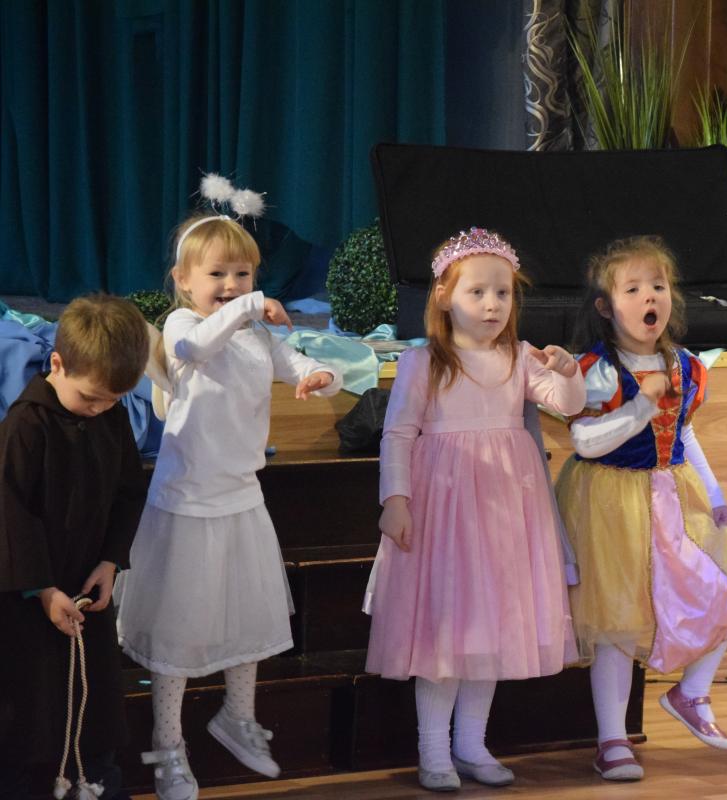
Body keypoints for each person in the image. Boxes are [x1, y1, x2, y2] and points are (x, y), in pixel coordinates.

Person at [116, 208, 342, 800]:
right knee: (180, 625)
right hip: (188, 504)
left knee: (249, 615)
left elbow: (294, 360)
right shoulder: (184, 326)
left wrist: (320, 374)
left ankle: (236, 715)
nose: (232, 286)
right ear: (183, 280)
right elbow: (193, 347)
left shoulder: (254, 333)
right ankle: (168, 743)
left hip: (242, 500)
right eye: (217, 274)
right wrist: (248, 307)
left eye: (242, 275)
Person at [363, 227, 585, 792]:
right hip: (444, 513)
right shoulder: (423, 362)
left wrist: (569, 373)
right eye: (477, 292)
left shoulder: (520, 357)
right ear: (444, 296)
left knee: (491, 628)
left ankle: (471, 744)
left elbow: (567, 405)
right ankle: (433, 750)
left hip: (506, 513)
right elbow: (398, 434)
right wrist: (395, 500)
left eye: (503, 293)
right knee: (446, 631)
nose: (492, 305)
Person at [555, 235, 727, 781]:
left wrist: (715, 495)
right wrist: (642, 405)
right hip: (608, 503)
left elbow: (685, 434)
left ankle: (692, 693)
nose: (650, 296)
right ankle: (612, 740)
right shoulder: (597, 370)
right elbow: (585, 443)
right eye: (633, 288)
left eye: (659, 286)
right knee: (617, 621)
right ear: (606, 306)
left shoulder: (686, 366)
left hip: (670, 493)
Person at [0, 294, 149, 800]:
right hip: (30, 603)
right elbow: (10, 515)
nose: (101, 408)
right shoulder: (25, 426)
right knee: (31, 714)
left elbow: (127, 493)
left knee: (95, 706)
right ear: (57, 364)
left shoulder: (109, 415)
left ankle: (97, 782)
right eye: (91, 398)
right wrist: (41, 590)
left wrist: (110, 561)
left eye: (112, 399)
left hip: (87, 590)